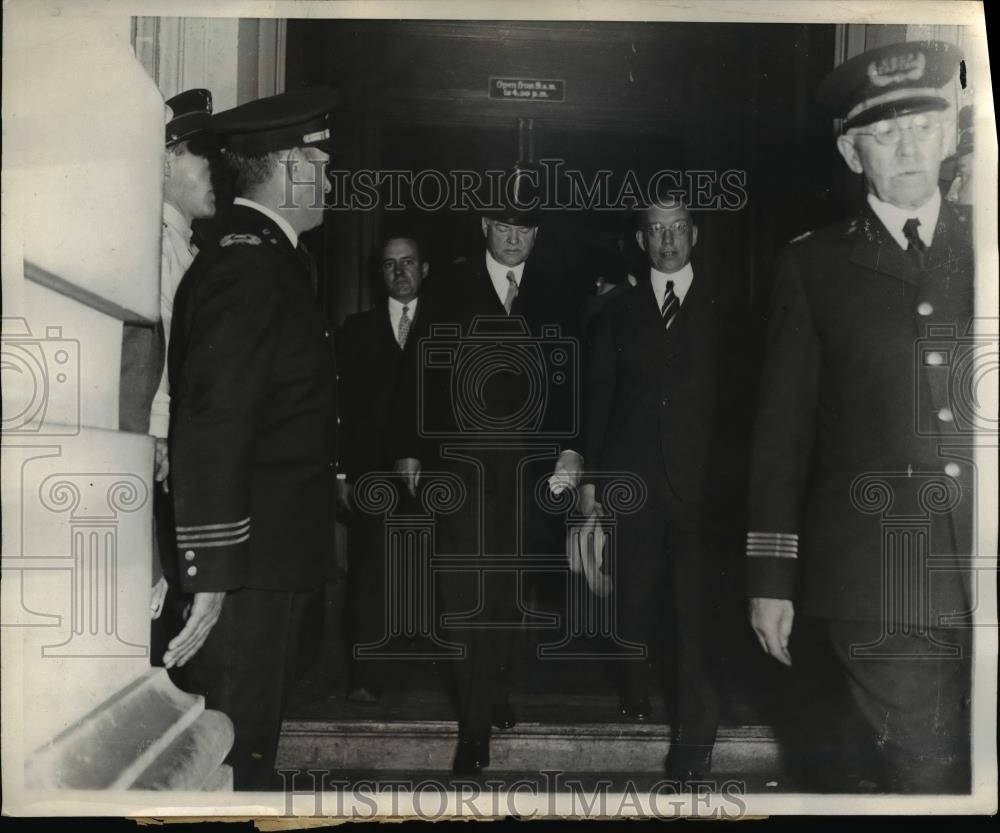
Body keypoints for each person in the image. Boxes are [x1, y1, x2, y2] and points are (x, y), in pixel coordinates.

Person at [746, 41, 973, 793]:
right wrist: (771, 576)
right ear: (851, 152)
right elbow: (782, 433)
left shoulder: (988, 247)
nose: (906, 147)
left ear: (948, 134)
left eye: (921, 125)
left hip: (987, 553)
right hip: (881, 575)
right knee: (926, 770)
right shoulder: (813, 268)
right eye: (883, 132)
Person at [163, 86, 340, 789]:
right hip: (248, 565)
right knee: (233, 754)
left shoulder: (273, 257)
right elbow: (214, 418)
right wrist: (211, 571)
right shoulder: (248, 264)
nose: (329, 179)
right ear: (292, 166)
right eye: (321, 165)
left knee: (252, 749)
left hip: (273, 557)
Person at [393, 168, 586, 774]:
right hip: (462, 463)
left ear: (535, 236)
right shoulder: (449, 285)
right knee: (465, 592)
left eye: (523, 230)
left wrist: (573, 449)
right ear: (485, 227)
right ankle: (473, 728)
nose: (512, 239)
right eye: (503, 226)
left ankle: (491, 683)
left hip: (530, 468)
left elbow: (573, 376)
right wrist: (409, 448)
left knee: (508, 592)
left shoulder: (559, 287)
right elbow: (418, 373)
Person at [580, 197, 746, 781]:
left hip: (705, 490)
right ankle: (634, 683)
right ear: (641, 240)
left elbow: (746, 408)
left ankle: (693, 746)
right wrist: (592, 487)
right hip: (634, 487)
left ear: (693, 235)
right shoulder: (615, 313)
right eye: (657, 231)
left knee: (698, 613)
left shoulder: (731, 309)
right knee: (634, 601)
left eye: (677, 229)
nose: (668, 241)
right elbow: (597, 404)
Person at [336, 232, 438, 703]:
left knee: (433, 569)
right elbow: (340, 408)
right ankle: (365, 675)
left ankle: (436, 669)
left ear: (425, 269)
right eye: (390, 265)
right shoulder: (356, 331)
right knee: (371, 573)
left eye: (409, 262)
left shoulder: (446, 327)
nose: (400, 273)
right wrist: (342, 474)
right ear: (379, 274)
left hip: (435, 472)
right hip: (373, 473)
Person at [147, 88, 217, 621]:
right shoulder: (155, 244)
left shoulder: (185, 247)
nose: (214, 167)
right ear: (168, 160)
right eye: (202, 154)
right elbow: (156, 349)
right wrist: (161, 435)